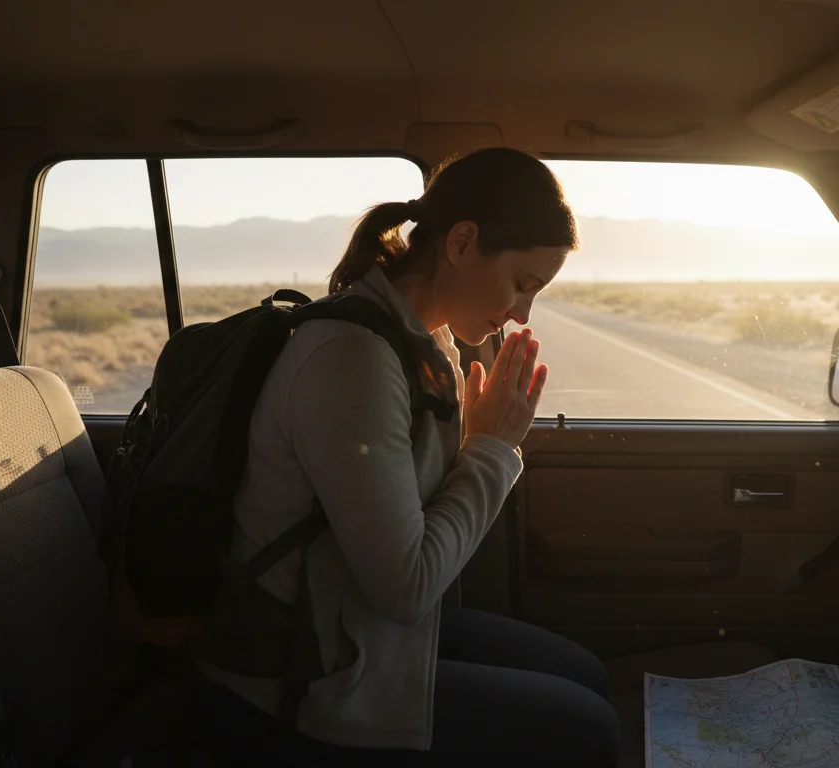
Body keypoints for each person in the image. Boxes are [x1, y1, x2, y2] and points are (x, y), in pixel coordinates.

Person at [193, 147, 621, 767]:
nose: (522, 313)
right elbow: (407, 586)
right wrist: (492, 450)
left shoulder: (427, 341)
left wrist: (477, 443)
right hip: (298, 677)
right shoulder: (351, 359)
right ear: (462, 242)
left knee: (584, 673)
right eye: (522, 285)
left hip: (358, 628)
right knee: (589, 731)